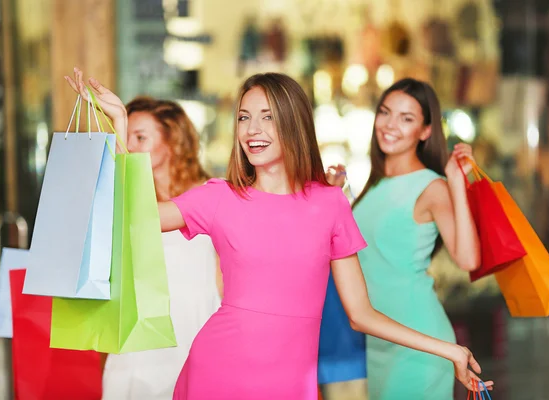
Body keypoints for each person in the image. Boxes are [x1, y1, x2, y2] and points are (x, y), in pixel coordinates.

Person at [65, 68, 492, 399]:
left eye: (268, 118)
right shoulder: (219, 197)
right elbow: (138, 216)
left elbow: (361, 314)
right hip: (217, 369)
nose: (253, 130)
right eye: (244, 118)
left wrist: (448, 349)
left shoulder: (329, 203)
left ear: (293, 123)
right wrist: (120, 128)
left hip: (292, 382)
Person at [347, 78, 481, 399]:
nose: (390, 125)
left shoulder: (432, 187)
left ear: (425, 131)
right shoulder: (373, 186)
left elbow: (468, 259)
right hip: (378, 341)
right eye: (385, 113)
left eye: (406, 118)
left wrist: (455, 183)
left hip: (419, 342)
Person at [100, 96, 222, 399]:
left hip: (194, 330)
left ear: (173, 142)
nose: (131, 146)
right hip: (138, 335)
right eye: (126, 137)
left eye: (140, 137)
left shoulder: (211, 195)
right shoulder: (121, 199)